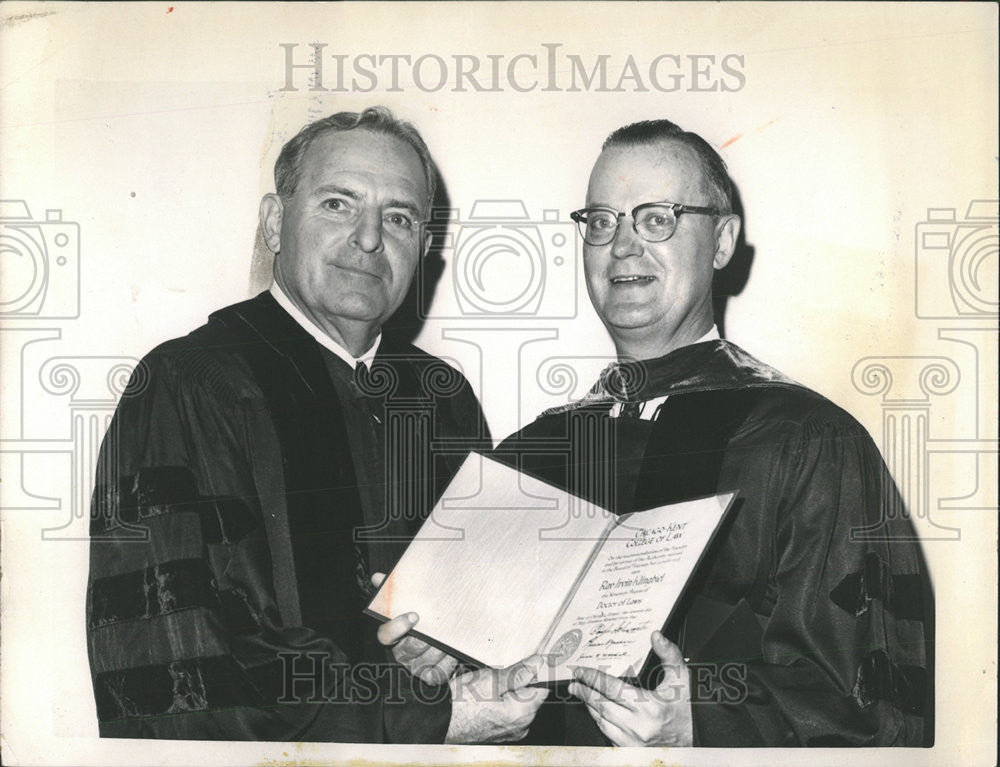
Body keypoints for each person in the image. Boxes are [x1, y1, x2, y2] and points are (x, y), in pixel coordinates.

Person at [85, 106, 547, 743]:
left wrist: (454, 657)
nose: (368, 239)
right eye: (338, 203)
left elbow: (490, 620)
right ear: (275, 222)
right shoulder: (190, 382)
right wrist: (423, 719)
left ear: (424, 245)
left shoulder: (443, 399)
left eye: (399, 217)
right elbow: (179, 651)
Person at [490, 119, 934, 746]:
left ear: (722, 240)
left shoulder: (807, 443)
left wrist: (701, 723)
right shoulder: (529, 455)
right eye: (601, 221)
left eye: (657, 218)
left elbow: (872, 703)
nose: (622, 246)